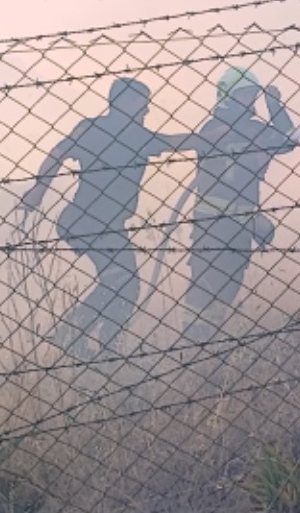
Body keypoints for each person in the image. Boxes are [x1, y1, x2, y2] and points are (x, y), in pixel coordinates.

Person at [21, 77, 197, 355]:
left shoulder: (91, 128)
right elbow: (177, 142)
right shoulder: (132, 135)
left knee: (122, 285)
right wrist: (217, 137)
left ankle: (91, 342)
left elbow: (57, 153)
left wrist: (39, 190)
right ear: (124, 102)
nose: (147, 111)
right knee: (124, 285)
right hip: (90, 224)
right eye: (143, 104)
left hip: (90, 223)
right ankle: (87, 339)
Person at [174, 67, 298, 344]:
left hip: (241, 223)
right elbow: (226, 139)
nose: (251, 100)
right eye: (245, 94)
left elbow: (288, 140)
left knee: (230, 285)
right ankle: (191, 342)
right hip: (211, 226)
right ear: (229, 95)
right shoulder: (213, 129)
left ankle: (209, 339)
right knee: (204, 285)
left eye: (253, 95)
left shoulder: (255, 128)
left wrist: (274, 106)